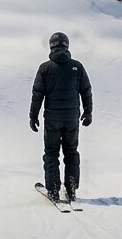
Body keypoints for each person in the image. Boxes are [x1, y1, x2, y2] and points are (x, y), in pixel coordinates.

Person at [30, 31, 93, 202]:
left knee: (51, 153)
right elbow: (86, 90)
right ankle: (71, 187)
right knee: (71, 152)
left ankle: (54, 189)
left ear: (51, 46)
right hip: (72, 118)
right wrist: (88, 112)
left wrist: (33, 116)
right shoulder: (77, 67)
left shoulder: (45, 68)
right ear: (67, 45)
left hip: (52, 118)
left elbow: (38, 94)